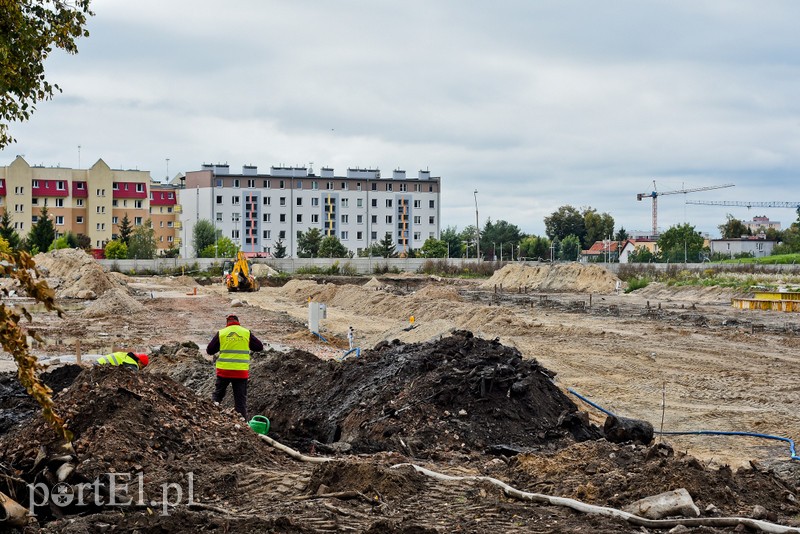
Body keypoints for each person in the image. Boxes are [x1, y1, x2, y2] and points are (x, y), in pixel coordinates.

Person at [206, 313, 263, 420]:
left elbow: (210, 350)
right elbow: (259, 347)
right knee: (240, 401)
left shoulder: (222, 333)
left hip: (224, 371)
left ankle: (211, 417)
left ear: (227, 323)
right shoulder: (246, 332)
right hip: (240, 372)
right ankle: (242, 421)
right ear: (238, 322)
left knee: (218, 395)